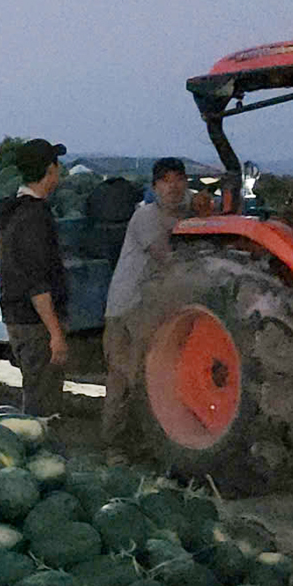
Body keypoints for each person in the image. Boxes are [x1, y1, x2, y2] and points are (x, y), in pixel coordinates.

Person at [101, 158, 191, 457]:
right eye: (166, 180)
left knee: (149, 377)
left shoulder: (183, 216)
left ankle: (141, 444)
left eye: (179, 179)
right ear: (154, 187)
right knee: (124, 377)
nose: (174, 186)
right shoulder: (146, 217)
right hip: (128, 306)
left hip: (153, 308)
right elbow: (167, 258)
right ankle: (113, 447)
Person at [0, 139, 69, 419]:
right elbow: (38, 283)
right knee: (43, 405)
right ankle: (39, 450)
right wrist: (56, 334)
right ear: (50, 170)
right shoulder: (33, 218)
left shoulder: (14, 212)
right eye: (57, 166)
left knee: (35, 391)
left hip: (20, 319)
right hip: (35, 324)